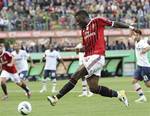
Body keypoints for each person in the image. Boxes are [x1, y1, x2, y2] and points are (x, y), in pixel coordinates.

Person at [47, 10, 137, 106]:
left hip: (97, 57)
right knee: (93, 88)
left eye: (78, 21)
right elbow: (86, 48)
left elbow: (114, 23)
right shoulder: (83, 31)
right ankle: (119, 94)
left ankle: (56, 97)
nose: (77, 23)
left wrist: (130, 27)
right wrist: (75, 49)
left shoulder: (97, 21)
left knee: (76, 74)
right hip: (89, 58)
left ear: (84, 18)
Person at [130, 30, 150, 103]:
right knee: (134, 81)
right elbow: (131, 35)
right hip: (139, 66)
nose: (134, 36)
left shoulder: (142, 42)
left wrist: (144, 51)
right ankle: (142, 97)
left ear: (139, 35)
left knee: (148, 84)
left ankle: (142, 97)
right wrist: (131, 28)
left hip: (145, 67)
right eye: (134, 35)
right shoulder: (136, 42)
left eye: (136, 35)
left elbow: (148, 47)